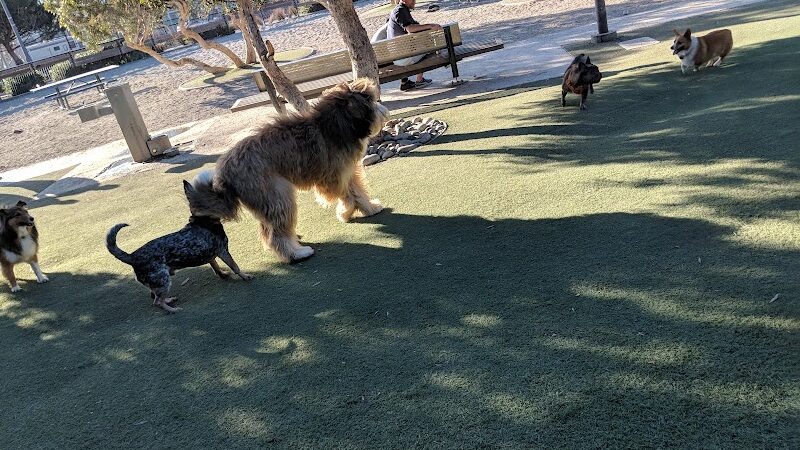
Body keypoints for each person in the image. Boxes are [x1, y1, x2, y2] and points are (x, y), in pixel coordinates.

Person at [387, 0, 442, 91]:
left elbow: (414, 26)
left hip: (398, 56)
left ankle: (404, 82)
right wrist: (430, 26)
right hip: (402, 58)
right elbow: (410, 28)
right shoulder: (400, 10)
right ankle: (420, 80)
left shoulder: (400, 10)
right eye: (411, 0)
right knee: (429, 47)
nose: (414, 1)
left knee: (420, 43)